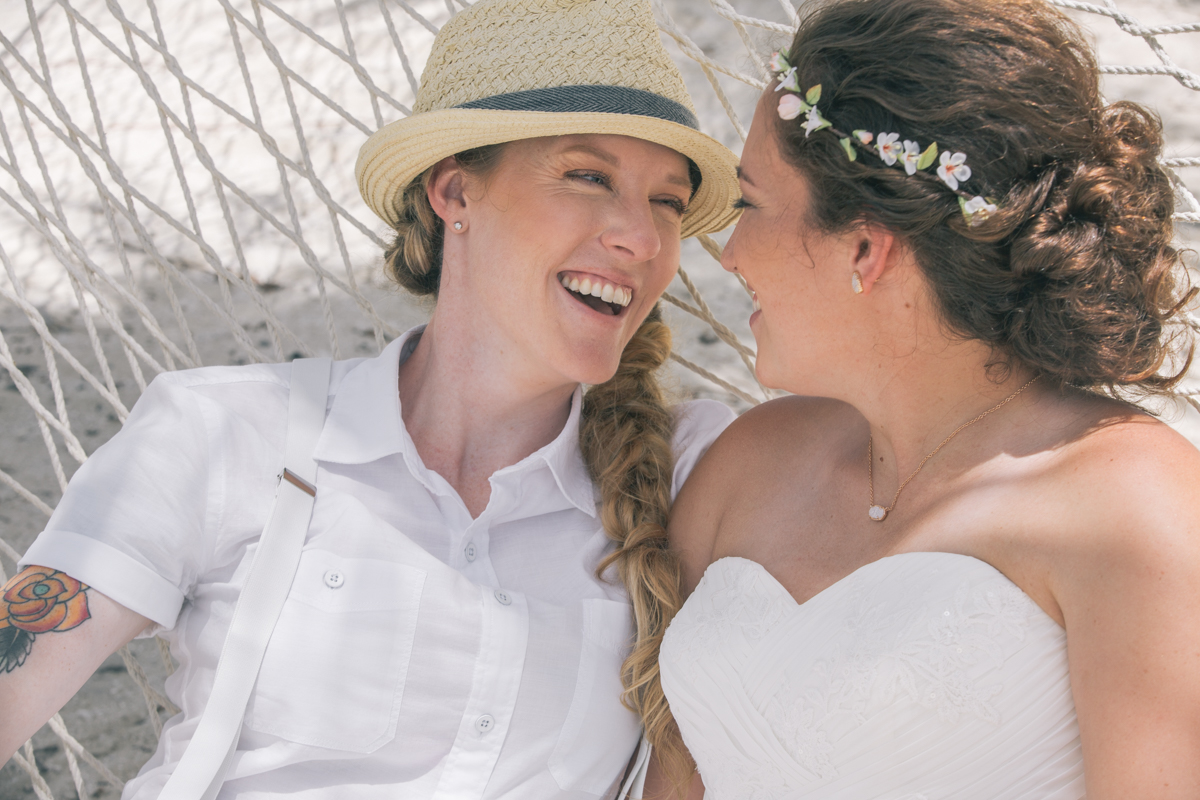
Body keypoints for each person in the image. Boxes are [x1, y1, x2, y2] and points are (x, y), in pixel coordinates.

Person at [0, 0, 742, 797]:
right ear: (454, 193)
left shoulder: (695, 473)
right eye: (587, 176)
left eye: (668, 200)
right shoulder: (229, 432)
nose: (643, 236)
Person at [643, 0, 1200, 797]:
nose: (727, 255)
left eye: (750, 204)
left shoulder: (1132, 506)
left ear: (866, 248)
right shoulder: (748, 464)